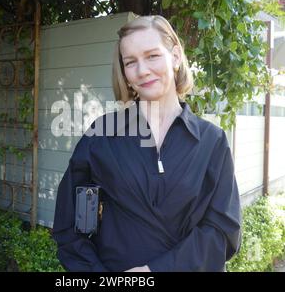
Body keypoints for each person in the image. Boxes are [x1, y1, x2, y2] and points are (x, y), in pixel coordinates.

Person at [52, 15, 242, 272]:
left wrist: (155, 271)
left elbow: (223, 231)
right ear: (125, 72)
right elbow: (69, 226)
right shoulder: (101, 137)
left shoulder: (212, 141)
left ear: (175, 56)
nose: (142, 71)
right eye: (131, 62)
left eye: (152, 56)